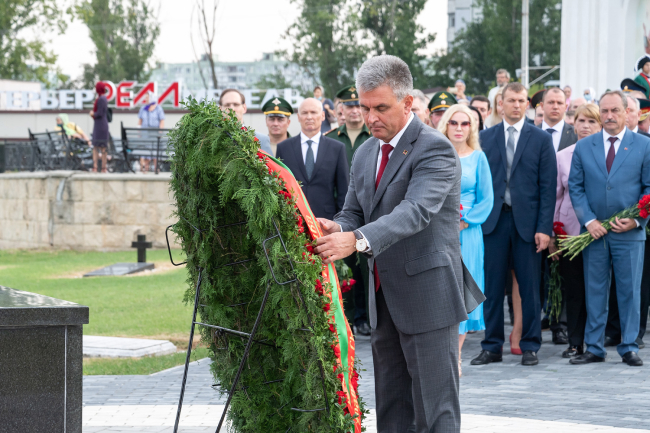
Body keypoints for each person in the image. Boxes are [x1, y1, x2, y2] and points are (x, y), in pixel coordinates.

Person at [314, 54, 483, 433]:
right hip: (383, 298)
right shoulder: (364, 152)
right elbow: (353, 213)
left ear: (407, 103)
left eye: (381, 108)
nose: (370, 117)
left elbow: (415, 212)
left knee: (435, 413)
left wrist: (355, 240)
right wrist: (333, 227)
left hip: (428, 297)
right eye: (364, 107)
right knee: (392, 411)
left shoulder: (435, 148)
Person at [471, 82, 556, 367]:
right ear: (501, 104)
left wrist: (544, 228)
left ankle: (530, 345)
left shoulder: (540, 138)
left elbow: (548, 188)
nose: (516, 105)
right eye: (511, 100)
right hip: (493, 223)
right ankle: (491, 346)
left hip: (528, 225)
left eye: (521, 101)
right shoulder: (485, 137)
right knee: (492, 287)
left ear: (528, 105)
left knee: (529, 287)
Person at [568, 90, 650, 367]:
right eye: (604, 111)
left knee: (630, 291)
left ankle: (629, 346)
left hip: (630, 232)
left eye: (615, 110)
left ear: (627, 112)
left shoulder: (644, 145)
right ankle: (594, 347)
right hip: (594, 233)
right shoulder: (584, 146)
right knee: (595, 290)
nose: (609, 115)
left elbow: (649, 188)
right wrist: (589, 221)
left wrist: (637, 220)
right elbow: (576, 187)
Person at [438, 104, 494, 376]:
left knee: (463, 289)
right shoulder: (436, 155)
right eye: (454, 123)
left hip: (468, 232)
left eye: (465, 123)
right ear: (445, 125)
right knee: (440, 288)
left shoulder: (479, 157)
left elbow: (487, 199)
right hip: (437, 230)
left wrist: (465, 221)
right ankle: (442, 350)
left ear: (472, 128)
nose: (459, 128)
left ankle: (456, 355)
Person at [549, 104, 602, 358]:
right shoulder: (563, 156)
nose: (585, 126)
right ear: (574, 124)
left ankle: (598, 341)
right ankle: (575, 342)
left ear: (600, 125)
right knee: (574, 289)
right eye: (581, 121)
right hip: (570, 232)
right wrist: (553, 233)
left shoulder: (608, 155)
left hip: (602, 230)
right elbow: (556, 197)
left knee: (598, 289)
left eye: (592, 121)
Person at [325, 85, 373, 338]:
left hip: (370, 215)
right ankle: (349, 317)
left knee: (366, 269)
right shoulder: (331, 139)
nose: (355, 110)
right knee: (346, 271)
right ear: (341, 109)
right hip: (341, 214)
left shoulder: (374, 136)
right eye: (350, 105)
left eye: (358, 105)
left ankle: (366, 318)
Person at [275, 98, 348, 220]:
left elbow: (343, 191)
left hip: (326, 220)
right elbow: (279, 187)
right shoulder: (284, 148)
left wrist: (340, 222)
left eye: (313, 112)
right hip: (293, 220)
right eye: (304, 113)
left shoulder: (337, 148)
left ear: (323, 116)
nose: (309, 117)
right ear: (298, 117)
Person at [219, 88, 274, 156]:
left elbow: (268, 163)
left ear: (244, 108)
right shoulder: (209, 139)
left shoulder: (261, 140)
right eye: (227, 105)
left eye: (236, 104)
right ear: (220, 109)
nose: (232, 109)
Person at [540, 88, 578, 153]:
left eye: (559, 103)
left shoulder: (576, 135)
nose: (555, 107)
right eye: (551, 102)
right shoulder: (530, 134)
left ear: (566, 107)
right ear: (542, 105)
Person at [138, 91, 165, 173]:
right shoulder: (143, 109)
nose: (146, 99)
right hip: (145, 134)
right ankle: (145, 170)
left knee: (155, 151)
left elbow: (162, 121)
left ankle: (156, 169)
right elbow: (140, 121)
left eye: (147, 97)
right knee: (145, 152)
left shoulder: (158, 108)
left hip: (154, 134)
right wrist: (139, 132)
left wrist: (160, 132)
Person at [90, 82, 109, 173]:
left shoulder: (101, 99)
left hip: (100, 125)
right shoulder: (103, 98)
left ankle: (97, 167)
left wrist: (92, 113)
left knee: (97, 146)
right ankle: (102, 168)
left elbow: (100, 113)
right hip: (101, 124)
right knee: (101, 147)